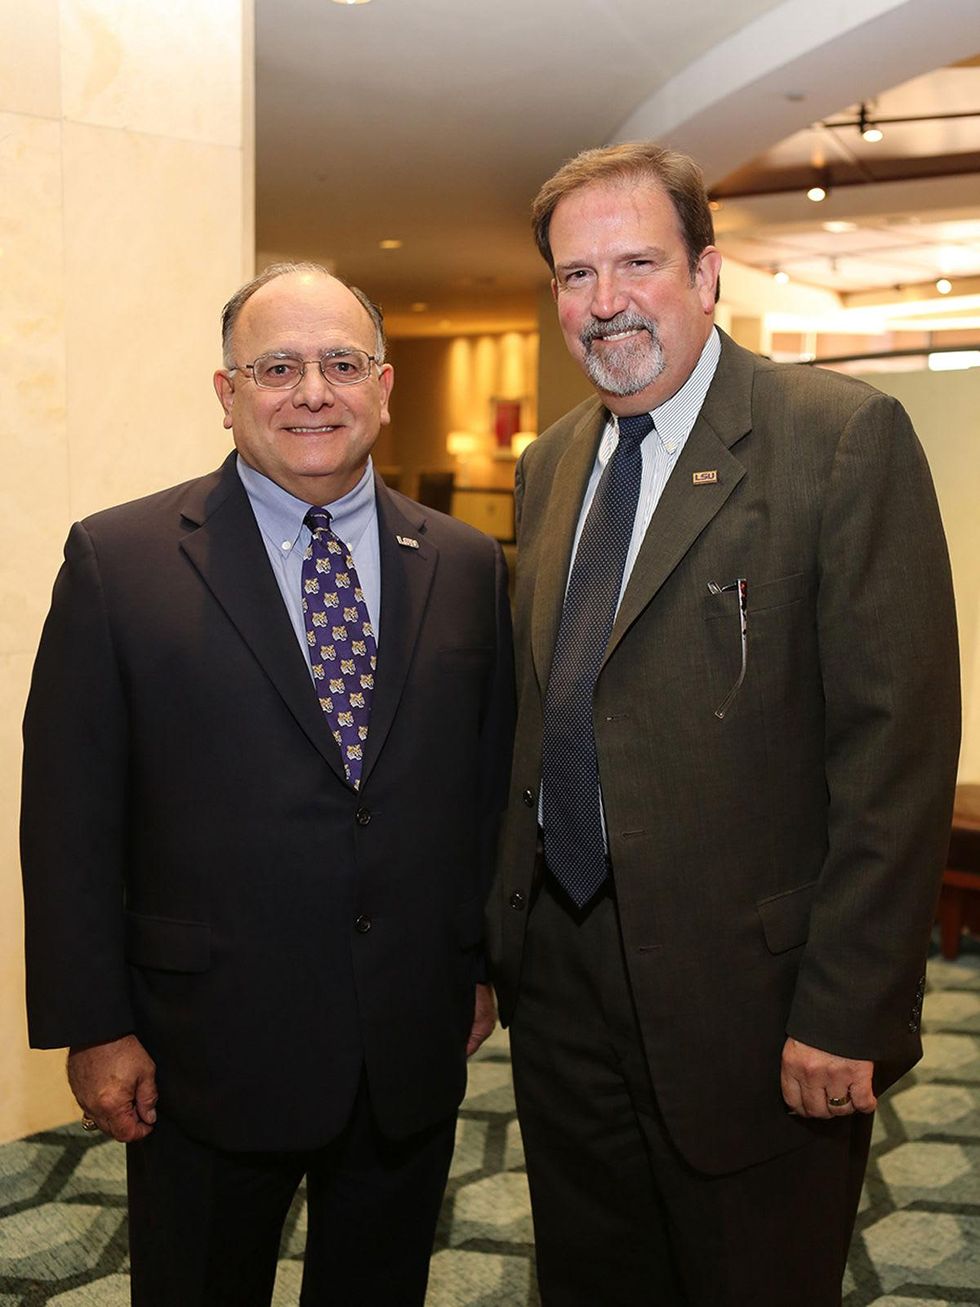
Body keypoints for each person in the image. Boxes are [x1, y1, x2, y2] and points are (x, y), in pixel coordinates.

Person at [488, 143, 960, 1306]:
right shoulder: (548, 463)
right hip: (563, 973)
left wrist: (847, 1008)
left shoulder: (839, 438)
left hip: (753, 999)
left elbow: (893, 755)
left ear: (706, 273)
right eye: (573, 274)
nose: (603, 301)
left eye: (635, 262)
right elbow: (533, 709)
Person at [21, 262, 514, 1307]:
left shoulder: (467, 564)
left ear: (384, 386)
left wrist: (476, 960)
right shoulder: (122, 559)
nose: (311, 391)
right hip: (203, 1048)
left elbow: (478, 787)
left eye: (340, 363)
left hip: (406, 1042)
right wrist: (94, 1023)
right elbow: (67, 815)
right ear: (226, 389)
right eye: (277, 366)